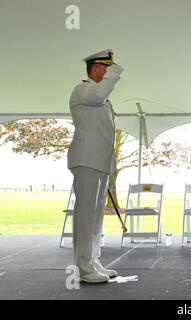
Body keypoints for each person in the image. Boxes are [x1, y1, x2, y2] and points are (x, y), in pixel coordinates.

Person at [67, 49, 123, 283]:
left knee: (96, 215)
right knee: (85, 215)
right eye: (106, 68)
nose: (110, 72)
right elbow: (98, 95)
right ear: (96, 69)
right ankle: (82, 267)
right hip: (86, 159)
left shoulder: (101, 97)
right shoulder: (84, 90)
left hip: (99, 162)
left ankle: (93, 261)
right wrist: (116, 74)